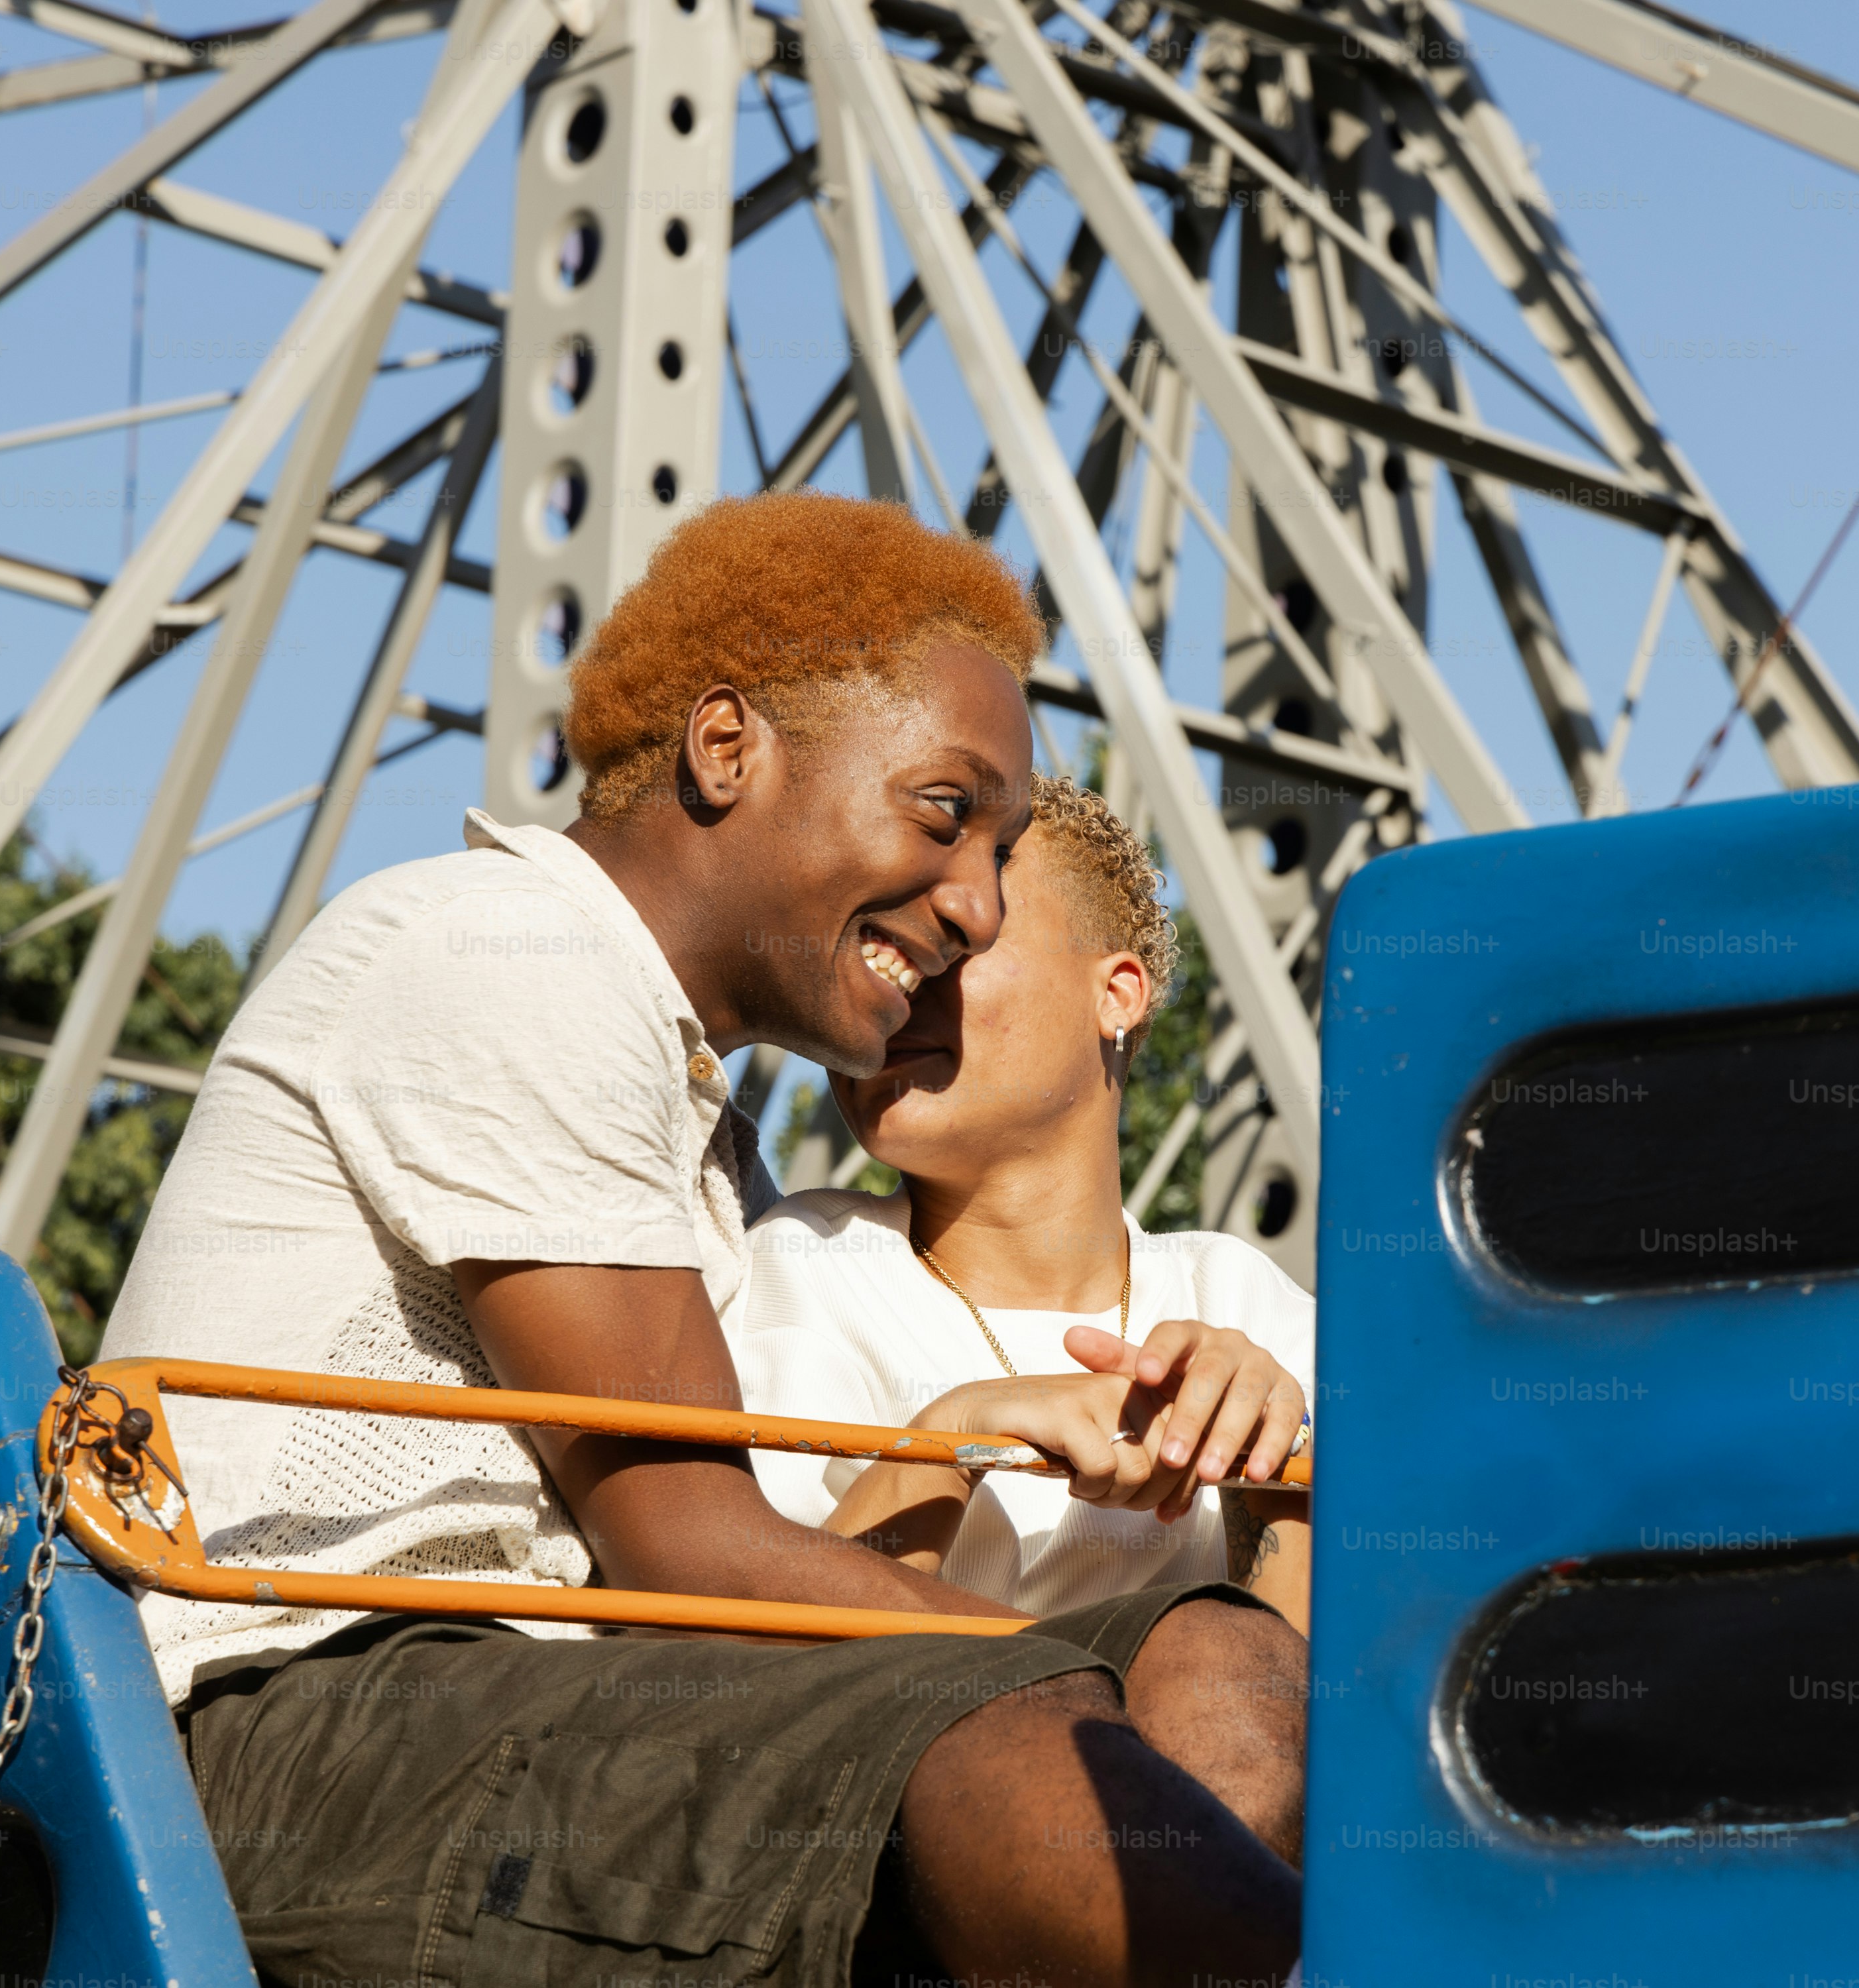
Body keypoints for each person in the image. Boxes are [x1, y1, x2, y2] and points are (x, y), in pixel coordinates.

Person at [98, 493, 1306, 1988]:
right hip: (292, 1727)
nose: (972, 903)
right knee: (1022, 1728)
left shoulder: (694, 1126)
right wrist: (1050, 1672)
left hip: (536, 1704)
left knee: (1208, 1664)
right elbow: (685, 1541)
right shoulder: (510, 955)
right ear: (728, 751)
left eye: (1001, 856)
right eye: (945, 815)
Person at [730, 775, 1314, 1630]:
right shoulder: (802, 1269)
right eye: (875, 949)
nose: (897, 986)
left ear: (1115, 993)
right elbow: (774, 1677)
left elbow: (1319, 1700)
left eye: (955, 944)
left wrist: (1279, 1461)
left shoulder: (1241, 1301)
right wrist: (959, 1433)